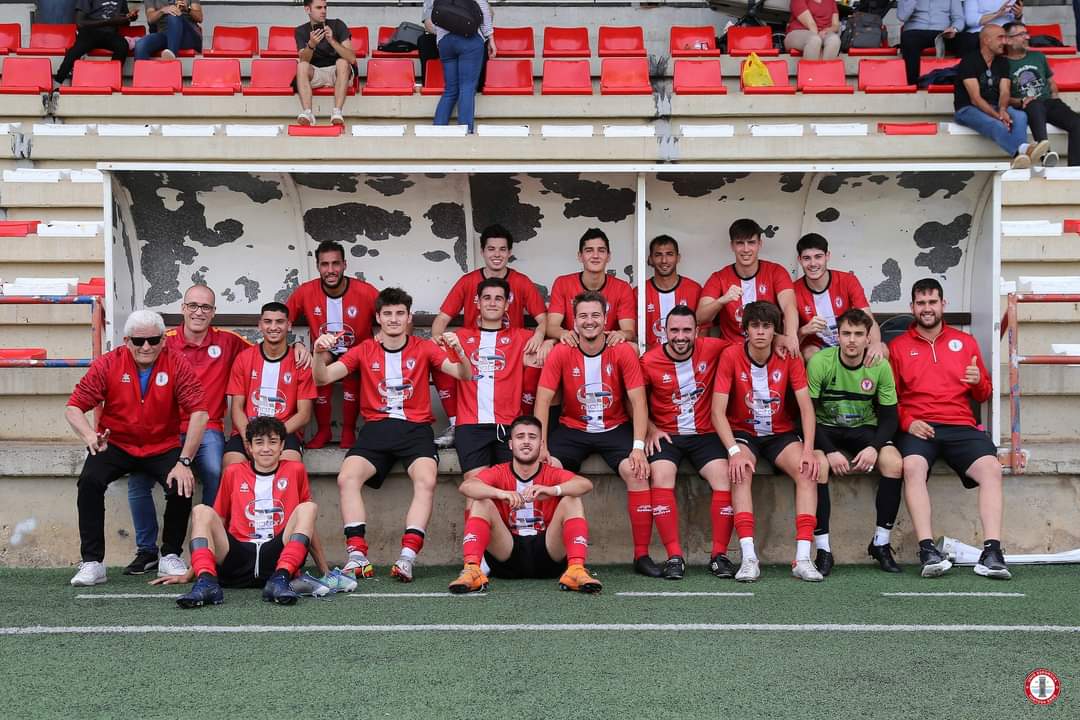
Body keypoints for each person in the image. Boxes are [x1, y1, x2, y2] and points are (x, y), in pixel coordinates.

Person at [313, 287, 473, 582]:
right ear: (378, 317)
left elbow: (463, 375)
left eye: (400, 313)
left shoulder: (424, 347)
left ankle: (407, 557)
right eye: (388, 314)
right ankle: (357, 555)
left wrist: (461, 353)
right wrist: (317, 352)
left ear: (409, 317)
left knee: (426, 479)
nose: (394, 319)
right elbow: (322, 377)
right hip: (376, 429)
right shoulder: (363, 349)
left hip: (415, 429)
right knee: (347, 477)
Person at [65, 310, 208, 587]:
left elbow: (200, 412)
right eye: (139, 341)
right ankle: (93, 562)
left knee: (181, 481)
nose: (146, 347)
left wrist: (185, 460)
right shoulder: (108, 364)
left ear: (163, 340)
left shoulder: (177, 363)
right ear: (126, 340)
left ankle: (170, 555)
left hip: (162, 443)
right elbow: (73, 407)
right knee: (89, 481)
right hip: (116, 442)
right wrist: (89, 436)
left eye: (154, 340)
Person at [150, 417, 345, 607]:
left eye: (273, 442)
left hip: (276, 557)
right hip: (237, 559)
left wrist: (325, 571)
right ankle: (206, 582)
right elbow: (215, 522)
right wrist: (190, 573)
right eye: (259, 443)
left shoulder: (295, 470)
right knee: (202, 511)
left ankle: (280, 579)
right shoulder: (233, 472)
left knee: (308, 507)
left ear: (282, 446)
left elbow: (307, 524)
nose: (266, 448)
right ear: (249, 447)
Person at [124, 285, 251, 577]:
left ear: (213, 312)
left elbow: (267, 350)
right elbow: (124, 362)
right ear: (182, 308)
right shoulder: (160, 341)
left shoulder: (229, 342)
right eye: (193, 305)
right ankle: (146, 551)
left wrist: (296, 349)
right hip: (164, 430)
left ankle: (207, 547)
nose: (198, 312)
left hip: (207, 428)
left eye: (205, 307)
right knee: (138, 480)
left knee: (213, 470)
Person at [889, 278, 1010, 580]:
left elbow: (983, 394)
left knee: (992, 469)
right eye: (921, 303)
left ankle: (992, 551)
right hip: (919, 427)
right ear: (912, 307)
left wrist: (977, 382)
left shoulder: (965, 342)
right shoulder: (898, 347)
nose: (927, 308)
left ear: (943, 305)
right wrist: (908, 422)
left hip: (960, 425)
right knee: (912, 466)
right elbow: (889, 399)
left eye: (932, 302)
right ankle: (927, 549)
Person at [534, 290, 654, 575]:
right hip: (572, 428)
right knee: (548, 470)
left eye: (595, 316)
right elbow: (542, 399)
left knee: (637, 471)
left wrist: (638, 446)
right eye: (583, 316)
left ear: (605, 319)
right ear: (574, 322)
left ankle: (641, 556)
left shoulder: (622, 350)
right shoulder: (562, 351)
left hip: (614, 428)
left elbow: (638, 401)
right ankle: (548, 555)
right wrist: (542, 445)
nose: (590, 322)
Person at [712, 301, 822, 583]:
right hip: (744, 432)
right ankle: (749, 557)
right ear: (746, 329)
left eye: (767, 326)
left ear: (775, 330)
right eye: (755, 326)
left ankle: (802, 558)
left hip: (779, 433)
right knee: (739, 472)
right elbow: (717, 412)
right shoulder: (731, 355)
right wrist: (734, 451)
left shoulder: (789, 356)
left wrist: (808, 449)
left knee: (808, 470)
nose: (760, 332)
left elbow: (806, 408)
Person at [448, 415, 602, 594]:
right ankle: (472, 569)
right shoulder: (499, 471)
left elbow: (585, 485)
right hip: (507, 552)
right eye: (520, 437)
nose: (526, 442)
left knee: (571, 498)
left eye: (532, 437)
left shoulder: (552, 473)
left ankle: (575, 570)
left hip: (548, 552)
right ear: (511, 444)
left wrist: (552, 490)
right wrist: (500, 494)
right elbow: (467, 486)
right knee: (481, 501)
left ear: (541, 444)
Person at [429, 223, 548, 449]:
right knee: (435, 354)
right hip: (472, 355)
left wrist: (540, 335)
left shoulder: (521, 282)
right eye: (491, 249)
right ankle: (456, 424)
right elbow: (441, 321)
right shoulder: (467, 282)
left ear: (509, 253)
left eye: (502, 249)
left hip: (513, 355)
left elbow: (543, 319)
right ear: (483, 252)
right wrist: (438, 340)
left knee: (539, 357)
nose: (497, 254)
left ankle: (521, 423)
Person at [807, 309, 904, 575]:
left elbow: (889, 419)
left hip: (864, 430)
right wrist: (829, 451)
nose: (852, 340)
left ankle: (881, 544)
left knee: (894, 464)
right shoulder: (820, 362)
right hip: (826, 429)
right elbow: (806, 416)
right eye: (846, 333)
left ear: (867, 338)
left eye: (858, 334)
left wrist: (874, 447)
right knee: (818, 467)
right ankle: (824, 550)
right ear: (837, 336)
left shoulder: (879, 365)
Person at [641, 306, 735, 579]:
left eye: (686, 330)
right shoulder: (649, 361)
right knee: (661, 475)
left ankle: (719, 555)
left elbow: (750, 343)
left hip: (705, 433)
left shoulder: (714, 348)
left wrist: (783, 338)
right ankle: (674, 556)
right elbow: (633, 400)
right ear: (664, 332)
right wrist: (651, 428)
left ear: (697, 331)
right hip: (667, 434)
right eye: (674, 330)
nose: (680, 336)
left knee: (724, 478)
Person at [440, 277, 536, 485]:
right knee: (476, 489)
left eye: (498, 299)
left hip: (510, 425)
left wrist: (549, 341)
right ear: (477, 302)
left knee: (514, 489)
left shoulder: (523, 338)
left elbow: (552, 355)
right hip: (471, 425)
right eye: (487, 298)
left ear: (507, 304)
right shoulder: (460, 338)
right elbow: (431, 357)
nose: (492, 303)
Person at [286, 240, 378, 449]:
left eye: (335, 264)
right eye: (324, 264)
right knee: (312, 367)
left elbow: (393, 314)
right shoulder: (305, 291)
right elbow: (282, 320)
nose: (330, 270)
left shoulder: (365, 291)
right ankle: (324, 431)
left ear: (344, 265)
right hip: (323, 351)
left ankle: (348, 431)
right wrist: (295, 345)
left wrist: (383, 342)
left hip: (357, 352)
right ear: (318, 266)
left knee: (353, 365)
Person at [223, 302, 316, 467]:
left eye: (279, 322)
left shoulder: (300, 362)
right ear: (260, 325)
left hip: (284, 433)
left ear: (289, 325)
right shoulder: (244, 359)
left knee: (291, 467)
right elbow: (236, 408)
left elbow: (304, 414)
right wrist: (248, 437)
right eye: (268, 321)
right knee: (232, 467)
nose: (273, 327)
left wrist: (274, 438)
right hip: (248, 432)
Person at [697, 218, 799, 359]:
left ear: (759, 244)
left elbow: (789, 305)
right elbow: (700, 317)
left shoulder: (776, 271)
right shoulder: (719, 277)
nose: (746, 249)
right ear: (732, 246)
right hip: (732, 351)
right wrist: (722, 300)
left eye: (751, 243)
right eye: (740, 243)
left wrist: (791, 336)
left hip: (769, 345)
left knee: (794, 353)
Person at [954, 24, 1049, 169]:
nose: (1004, 42)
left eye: (1005, 37)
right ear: (986, 40)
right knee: (996, 124)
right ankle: (1021, 152)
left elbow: (1005, 91)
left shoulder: (1002, 62)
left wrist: (1003, 109)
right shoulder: (969, 61)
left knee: (1020, 116)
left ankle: (1021, 157)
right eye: (1000, 37)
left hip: (995, 106)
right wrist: (998, 116)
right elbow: (975, 98)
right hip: (967, 109)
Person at [793, 233, 886, 364]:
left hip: (851, 341)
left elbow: (869, 319)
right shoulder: (793, 290)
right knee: (810, 354)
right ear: (799, 260)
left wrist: (875, 343)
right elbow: (789, 338)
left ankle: (865, 384)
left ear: (827, 256)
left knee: (882, 350)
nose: (813, 263)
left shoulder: (848, 280)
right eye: (807, 258)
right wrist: (804, 330)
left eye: (818, 257)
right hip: (818, 347)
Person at [546, 228, 637, 347]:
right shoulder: (562, 283)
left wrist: (622, 334)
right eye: (589, 250)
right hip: (573, 346)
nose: (595, 256)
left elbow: (629, 331)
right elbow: (552, 327)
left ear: (608, 256)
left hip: (607, 347)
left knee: (633, 348)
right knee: (548, 346)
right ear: (580, 256)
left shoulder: (622, 288)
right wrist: (563, 333)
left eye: (601, 250)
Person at [1006, 21, 1079, 167]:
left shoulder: (1038, 56)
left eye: (1026, 33)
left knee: (1077, 123)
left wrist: (1055, 98)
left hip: (1049, 102)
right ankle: (1046, 156)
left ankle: (1075, 168)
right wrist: (1020, 101)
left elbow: (1051, 82)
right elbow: (1004, 95)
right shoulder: (1002, 64)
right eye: (1021, 34)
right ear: (1008, 39)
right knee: (1035, 105)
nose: (1026, 37)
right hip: (1027, 105)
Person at [424, 0, 496, 133]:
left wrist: (442, 35)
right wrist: (490, 38)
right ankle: (466, 132)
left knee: (450, 90)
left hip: (445, 42)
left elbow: (432, 18)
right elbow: (485, 10)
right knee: (467, 88)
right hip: (470, 40)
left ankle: (436, 131)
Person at [295, 0, 356, 127]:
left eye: (325, 7)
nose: (323, 11)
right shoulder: (301, 31)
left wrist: (332, 41)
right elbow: (303, 59)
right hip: (317, 73)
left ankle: (337, 112)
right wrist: (311, 45)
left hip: (338, 73)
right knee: (301, 66)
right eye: (318, 7)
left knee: (342, 62)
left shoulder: (337, 25)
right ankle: (308, 113)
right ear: (307, 10)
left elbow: (351, 58)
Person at [638, 234, 704, 351]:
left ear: (678, 258)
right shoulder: (639, 292)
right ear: (651, 259)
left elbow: (703, 329)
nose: (664, 260)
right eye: (658, 255)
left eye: (669, 254)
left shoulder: (694, 289)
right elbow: (633, 334)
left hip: (687, 360)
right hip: (651, 361)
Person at [54, 0, 138, 85]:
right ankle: (57, 82)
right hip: (89, 33)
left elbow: (124, 21)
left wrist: (130, 17)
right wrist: (108, 22)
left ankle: (110, 81)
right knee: (75, 51)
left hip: (110, 34)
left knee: (122, 45)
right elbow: (80, 23)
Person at [898, 0, 974, 85]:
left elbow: (959, 19)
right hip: (916, 32)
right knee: (908, 39)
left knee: (969, 39)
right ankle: (913, 84)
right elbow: (902, 17)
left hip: (943, 33)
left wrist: (954, 29)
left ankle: (958, 79)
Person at [134, 0, 203, 61]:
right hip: (165, 35)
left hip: (188, 36)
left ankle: (171, 56)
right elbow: (150, 19)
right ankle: (144, 75)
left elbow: (200, 18)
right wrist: (163, 10)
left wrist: (187, 8)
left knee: (173, 15)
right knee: (141, 45)